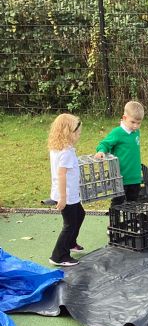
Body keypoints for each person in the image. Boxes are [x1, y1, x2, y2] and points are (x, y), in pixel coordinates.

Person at [48, 114, 86, 267]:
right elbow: (61, 174)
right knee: (69, 224)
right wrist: (63, 198)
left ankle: (70, 242)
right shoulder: (66, 152)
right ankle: (59, 256)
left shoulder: (58, 149)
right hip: (67, 195)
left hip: (68, 193)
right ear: (68, 133)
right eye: (77, 132)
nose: (79, 135)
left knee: (80, 214)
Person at [95, 101, 144, 205]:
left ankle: (131, 216)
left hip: (134, 177)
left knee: (133, 203)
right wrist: (101, 151)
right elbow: (104, 144)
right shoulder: (117, 132)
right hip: (120, 177)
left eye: (139, 123)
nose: (136, 126)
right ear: (124, 118)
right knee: (117, 203)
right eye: (133, 122)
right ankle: (114, 216)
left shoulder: (136, 132)